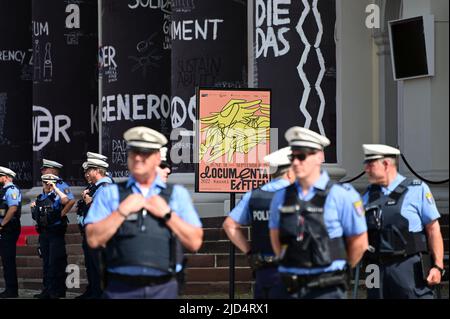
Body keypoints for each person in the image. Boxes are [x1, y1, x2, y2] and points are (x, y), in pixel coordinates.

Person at [85, 126, 203, 299]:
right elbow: (93, 239)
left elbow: (194, 242)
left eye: (145, 153)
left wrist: (167, 214)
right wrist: (121, 211)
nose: (138, 158)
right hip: (120, 288)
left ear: (157, 158)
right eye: (133, 153)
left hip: (162, 288)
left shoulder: (177, 194)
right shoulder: (112, 193)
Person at [269, 127, 368, 299]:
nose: (296, 163)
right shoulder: (281, 196)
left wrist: (341, 270)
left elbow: (359, 241)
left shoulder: (341, 195)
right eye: (293, 157)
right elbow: (276, 238)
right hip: (289, 287)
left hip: (327, 288)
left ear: (318, 157)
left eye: (301, 157)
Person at [361, 144, 445, 299]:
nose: (366, 169)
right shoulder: (367, 195)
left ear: (386, 164)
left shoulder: (417, 189)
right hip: (374, 268)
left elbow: (433, 230)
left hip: (407, 266)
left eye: (370, 165)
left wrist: (438, 266)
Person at [223, 147, 295, 299]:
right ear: (290, 172)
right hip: (293, 269)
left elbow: (229, 225)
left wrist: (249, 252)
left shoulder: (254, 195)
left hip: (263, 270)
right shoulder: (299, 195)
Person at [76, 155, 113, 299]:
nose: (86, 174)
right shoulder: (95, 187)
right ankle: (93, 291)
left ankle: (100, 294)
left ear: (97, 170)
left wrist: (89, 202)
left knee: (99, 266)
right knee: (91, 265)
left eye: (89, 170)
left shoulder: (105, 186)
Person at [31, 174, 70, 299]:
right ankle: (47, 289)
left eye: (49, 184)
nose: (46, 186)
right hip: (44, 232)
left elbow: (66, 201)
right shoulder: (40, 197)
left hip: (55, 232)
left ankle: (56, 291)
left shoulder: (57, 196)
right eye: (44, 183)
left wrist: (56, 189)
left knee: (55, 262)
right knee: (46, 262)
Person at [0, 167, 22, 298]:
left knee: (8, 260)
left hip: (9, 228)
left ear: (6, 176)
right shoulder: (3, 191)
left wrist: (2, 224)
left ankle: (12, 290)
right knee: (5, 259)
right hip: (4, 228)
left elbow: (13, 208)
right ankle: (9, 288)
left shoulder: (12, 190)